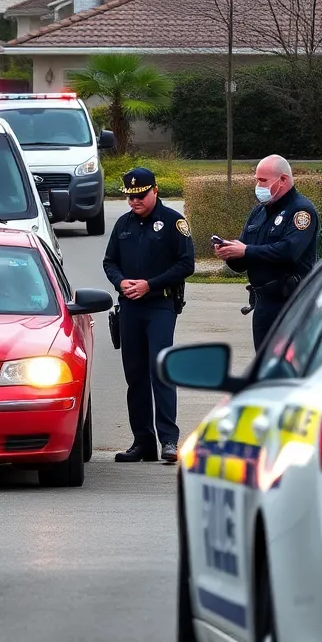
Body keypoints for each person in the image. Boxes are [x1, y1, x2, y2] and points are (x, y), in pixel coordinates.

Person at [103, 167, 195, 463]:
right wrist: (120, 282)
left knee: (160, 371)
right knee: (136, 375)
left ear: (155, 190)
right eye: (130, 197)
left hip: (160, 305)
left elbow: (186, 264)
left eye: (141, 195)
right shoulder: (123, 224)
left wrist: (150, 284)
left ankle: (168, 440)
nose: (135, 201)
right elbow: (110, 261)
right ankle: (142, 442)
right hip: (130, 306)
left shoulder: (173, 222)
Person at [212, 155, 319, 351]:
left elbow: (289, 251)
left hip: (291, 303)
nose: (258, 186)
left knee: (289, 364)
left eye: (263, 180)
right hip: (263, 303)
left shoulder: (301, 211)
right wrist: (230, 253)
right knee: (263, 363)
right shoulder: (259, 213)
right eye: (257, 180)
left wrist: (246, 250)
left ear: (283, 180)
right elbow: (245, 257)